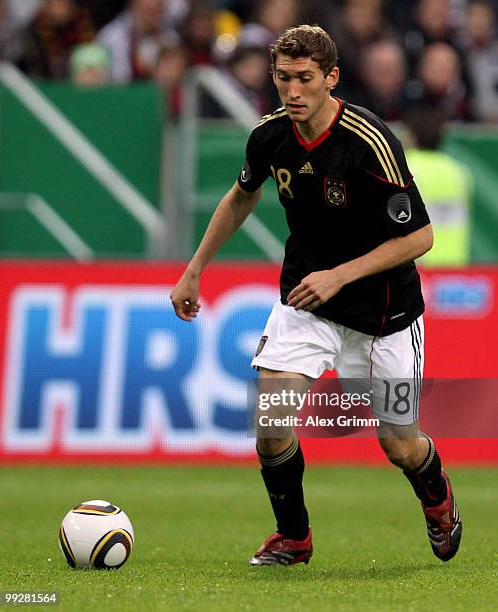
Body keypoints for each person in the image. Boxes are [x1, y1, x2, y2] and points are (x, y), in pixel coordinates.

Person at [170, 24, 462, 566]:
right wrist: (194, 269)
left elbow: (420, 236)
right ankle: (294, 538)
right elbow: (241, 195)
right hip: (306, 301)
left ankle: (436, 495)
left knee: (399, 443)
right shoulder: (269, 135)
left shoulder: (371, 143)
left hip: (384, 316)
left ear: (331, 78)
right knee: (272, 425)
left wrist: (341, 274)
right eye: (283, 79)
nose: (292, 91)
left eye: (305, 79)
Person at [404, 107, 472, 266]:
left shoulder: (404, 168)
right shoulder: (460, 173)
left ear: (412, 137)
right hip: (455, 270)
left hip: (419, 269)